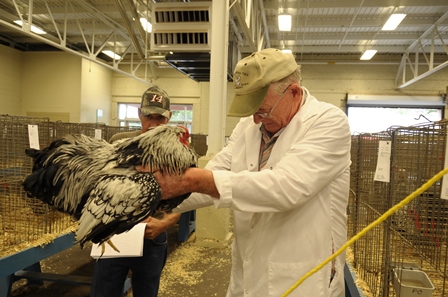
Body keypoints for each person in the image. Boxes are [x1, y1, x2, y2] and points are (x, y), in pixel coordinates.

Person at [142, 48, 351, 296]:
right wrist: (154, 198)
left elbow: (285, 188)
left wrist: (194, 179)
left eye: (262, 110)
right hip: (247, 274)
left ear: (293, 92)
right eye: (251, 111)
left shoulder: (328, 122)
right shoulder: (247, 128)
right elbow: (212, 176)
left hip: (302, 279)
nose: (255, 120)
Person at [92, 86, 181, 297]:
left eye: (160, 117)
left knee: (146, 293)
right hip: (114, 232)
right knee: (102, 291)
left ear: (168, 118)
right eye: (149, 116)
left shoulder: (177, 151)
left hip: (151, 235)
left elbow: (185, 199)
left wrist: (165, 223)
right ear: (139, 114)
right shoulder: (119, 142)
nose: (154, 123)